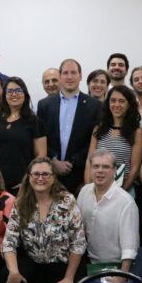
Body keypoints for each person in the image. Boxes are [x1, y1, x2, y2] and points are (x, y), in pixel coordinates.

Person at [1, 157, 85, 283]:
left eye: (46, 174)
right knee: (6, 274)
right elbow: (9, 241)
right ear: (29, 177)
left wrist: (68, 278)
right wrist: (13, 271)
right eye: (36, 174)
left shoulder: (67, 201)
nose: (40, 178)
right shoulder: (20, 202)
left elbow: (78, 243)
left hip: (62, 267)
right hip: (35, 264)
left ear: (54, 177)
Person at [37, 59, 101, 193]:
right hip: (50, 174)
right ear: (60, 76)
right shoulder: (44, 105)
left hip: (81, 175)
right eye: (65, 73)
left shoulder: (94, 106)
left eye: (73, 72)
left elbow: (94, 141)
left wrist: (73, 161)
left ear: (81, 76)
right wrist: (53, 160)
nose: (70, 77)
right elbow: (40, 138)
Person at [0, 77, 46, 192]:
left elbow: (41, 155)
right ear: (4, 95)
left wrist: (29, 179)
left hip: (22, 185)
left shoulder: (34, 121)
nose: (14, 94)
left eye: (18, 90)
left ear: (25, 94)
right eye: (10, 91)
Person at [77, 150, 139, 274]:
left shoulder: (126, 202)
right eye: (96, 166)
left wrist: (121, 276)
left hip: (114, 267)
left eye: (105, 167)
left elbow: (130, 247)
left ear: (115, 170)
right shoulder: (84, 192)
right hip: (86, 262)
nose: (100, 170)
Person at [84, 85, 142, 192]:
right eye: (113, 100)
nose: (116, 105)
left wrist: (119, 192)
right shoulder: (99, 128)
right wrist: (88, 186)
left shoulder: (136, 132)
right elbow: (90, 160)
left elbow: (135, 168)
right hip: (96, 188)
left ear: (129, 105)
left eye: (122, 101)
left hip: (122, 190)